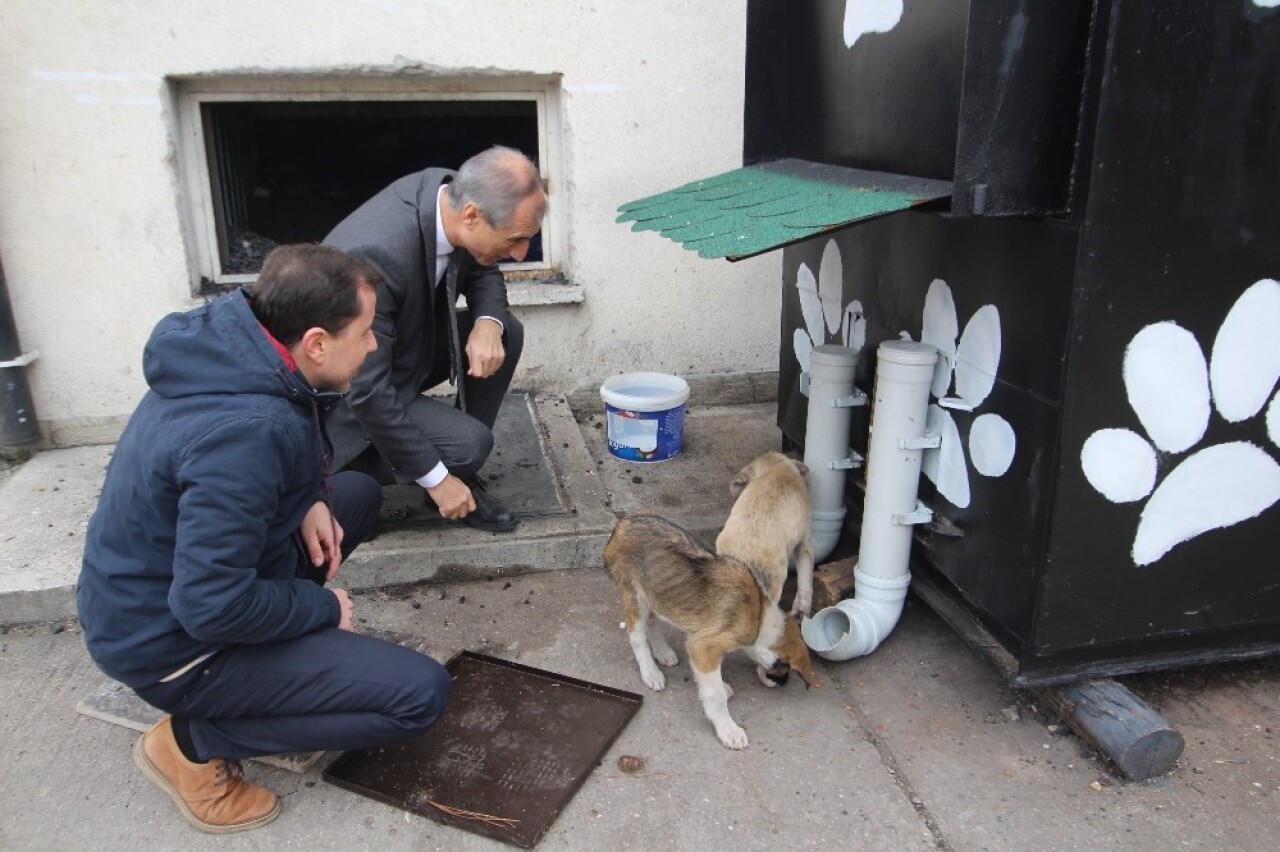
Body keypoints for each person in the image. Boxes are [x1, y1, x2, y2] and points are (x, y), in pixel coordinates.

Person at [77, 244, 452, 834]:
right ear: (317, 343)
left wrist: (309, 498)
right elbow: (210, 604)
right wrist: (320, 606)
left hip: (163, 593)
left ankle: (269, 657)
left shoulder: (244, 354)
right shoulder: (246, 434)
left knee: (353, 496)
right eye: (364, 332)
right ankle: (193, 743)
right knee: (419, 695)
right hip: (172, 647)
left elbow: (289, 448)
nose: (375, 345)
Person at [323, 145, 547, 532]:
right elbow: (365, 390)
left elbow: (483, 268)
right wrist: (437, 481)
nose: (522, 252)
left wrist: (488, 324)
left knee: (508, 330)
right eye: (516, 239)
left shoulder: (452, 194)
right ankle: (347, 474)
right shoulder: (374, 257)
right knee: (470, 446)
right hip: (349, 396)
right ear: (473, 217)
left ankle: (452, 465)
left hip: (403, 350)